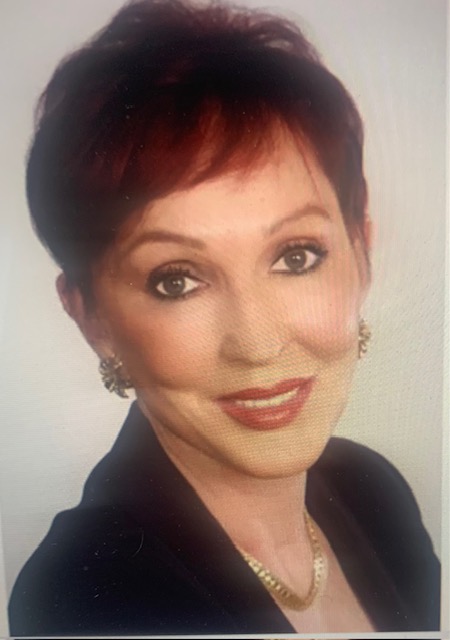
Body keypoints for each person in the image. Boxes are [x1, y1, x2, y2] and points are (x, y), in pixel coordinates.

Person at [8, 0, 440, 635]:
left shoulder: (374, 490)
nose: (258, 344)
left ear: (361, 256)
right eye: (176, 280)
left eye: (297, 256)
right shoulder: (82, 596)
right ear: (92, 318)